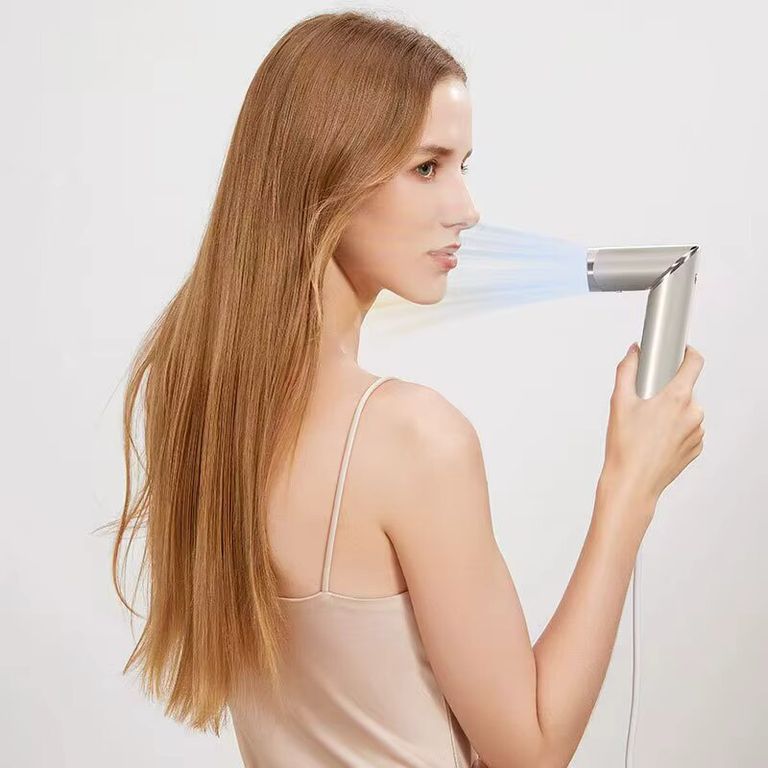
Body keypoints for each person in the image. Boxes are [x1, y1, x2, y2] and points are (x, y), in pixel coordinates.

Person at [108, 10, 705, 768]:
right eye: (427, 167)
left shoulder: (194, 401)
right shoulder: (412, 437)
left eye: (463, 166)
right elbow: (529, 752)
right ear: (326, 174)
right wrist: (629, 489)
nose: (466, 209)